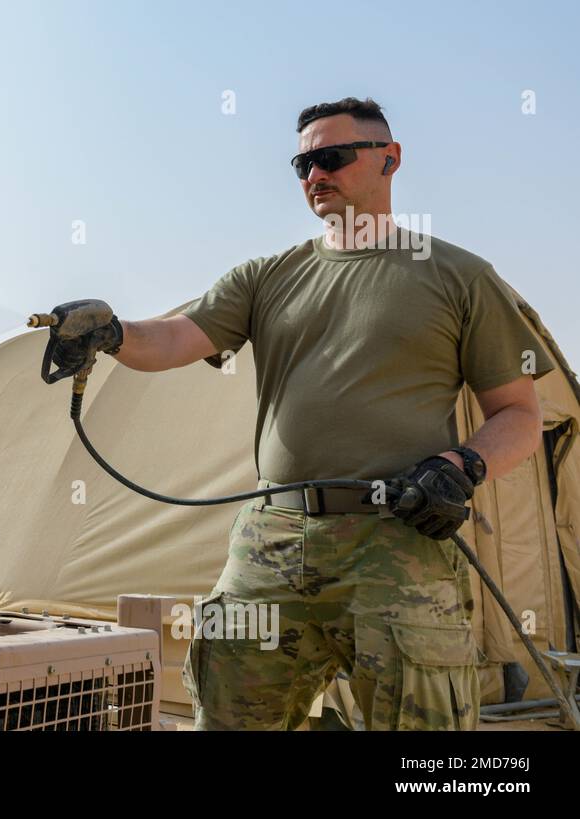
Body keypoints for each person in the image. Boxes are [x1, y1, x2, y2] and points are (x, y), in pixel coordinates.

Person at [45, 97, 553, 730]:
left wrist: (463, 466)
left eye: (332, 157)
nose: (316, 174)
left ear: (389, 159)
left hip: (399, 542)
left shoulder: (460, 277)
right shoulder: (266, 277)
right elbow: (173, 339)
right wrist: (113, 331)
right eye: (303, 163)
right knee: (229, 715)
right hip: (272, 539)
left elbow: (519, 414)